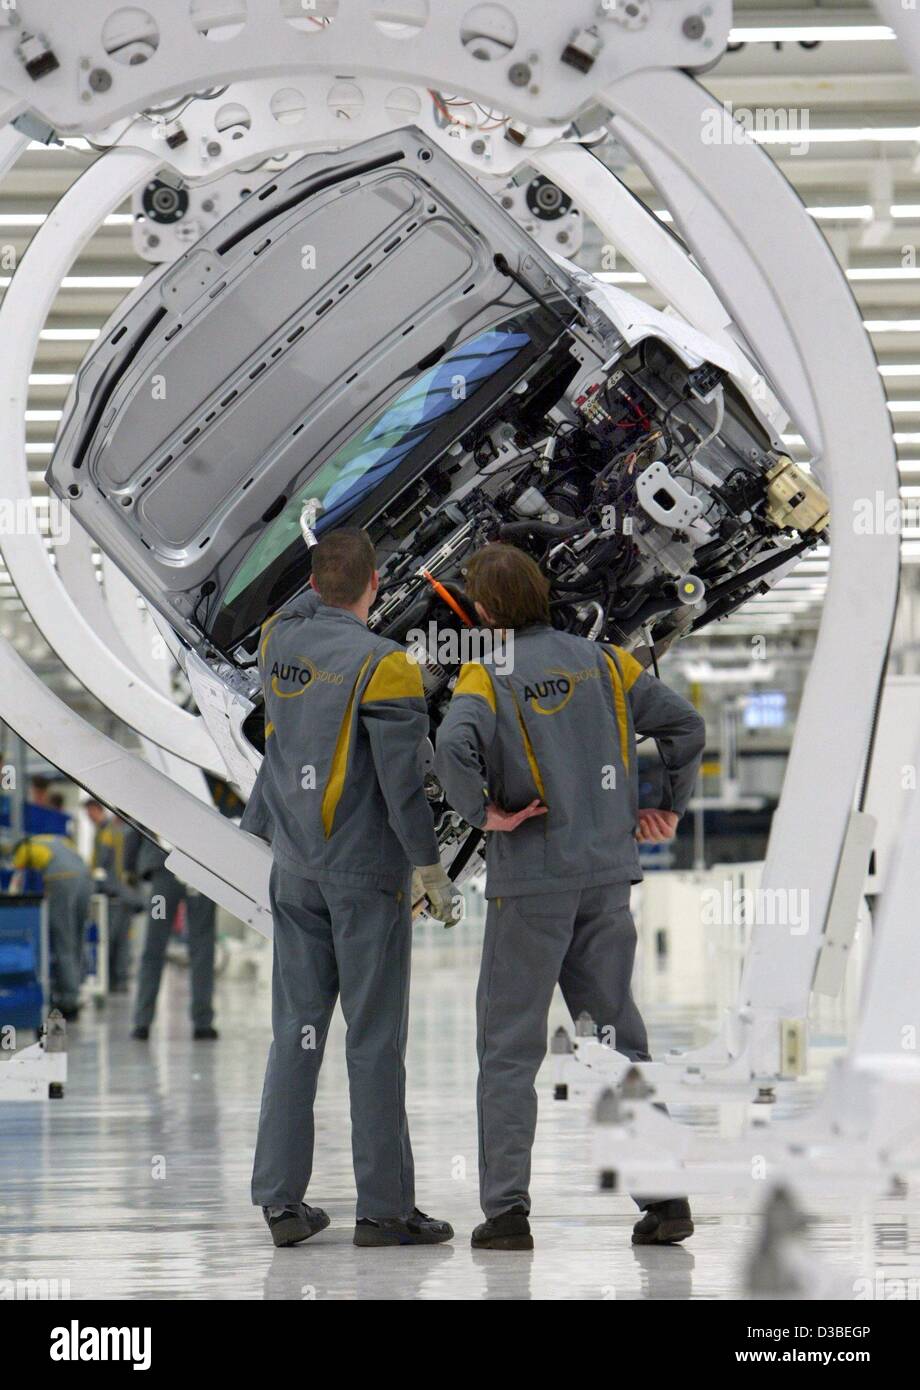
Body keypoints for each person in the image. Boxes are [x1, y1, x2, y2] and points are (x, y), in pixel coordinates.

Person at [434, 542, 706, 1252]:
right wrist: (668, 806)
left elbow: (451, 749)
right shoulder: (607, 662)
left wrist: (484, 814)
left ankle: (507, 1214)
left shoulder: (485, 673)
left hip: (531, 885)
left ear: (486, 611)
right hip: (608, 880)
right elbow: (685, 725)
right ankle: (667, 1197)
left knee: (508, 1048)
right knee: (617, 1037)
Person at [241, 526, 456, 1249]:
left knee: (295, 1034)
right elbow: (403, 788)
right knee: (373, 1040)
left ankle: (280, 1202)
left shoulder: (279, 642)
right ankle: (385, 1210)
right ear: (376, 586)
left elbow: (295, 608)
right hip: (365, 875)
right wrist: (432, 870)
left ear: (314, 581)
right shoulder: (386, 667)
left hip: (293, 867)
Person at [124, 828, 218, 1041]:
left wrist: (129, 867)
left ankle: (142, 1022)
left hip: (163, 870)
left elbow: (136, 820)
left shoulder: (150, 792)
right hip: (200, 867)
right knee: (202, 945)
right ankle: (203, 1023)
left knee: (153, 945)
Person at [11, 832, 93, 1021]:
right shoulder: (54, 839)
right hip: (86, 878)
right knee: (78, 937)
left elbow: (16, 882)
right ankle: (76, 988)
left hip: (61, 878)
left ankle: (68, 1002)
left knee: (63, 938)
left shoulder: (23, 848)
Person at [86, 800, 141, 993]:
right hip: (124, 893)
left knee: (111, 939)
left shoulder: (109, 832)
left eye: (90, 812)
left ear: (97, 810)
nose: (88, 817)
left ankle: (113, 981)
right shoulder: (118, 832)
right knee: (121, 939)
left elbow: (102, 862)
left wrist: (96, 884)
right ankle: (120, 981)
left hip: (114, 894)